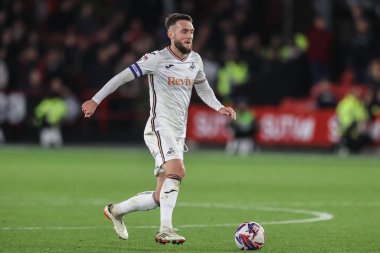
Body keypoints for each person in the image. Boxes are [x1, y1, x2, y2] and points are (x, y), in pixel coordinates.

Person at [81, 13, 236, 245]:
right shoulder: (156, 59)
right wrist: (95, 99)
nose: (189, 35)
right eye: (184, 31)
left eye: (191, 31)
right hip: (159, 127)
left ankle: (115, 210)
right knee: (178, 171)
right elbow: (122, 77)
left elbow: (203, 88)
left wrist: (219, 106)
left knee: (159, 196)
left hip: (177, 131)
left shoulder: (196, 60)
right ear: (171, 33)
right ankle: (166, 229)